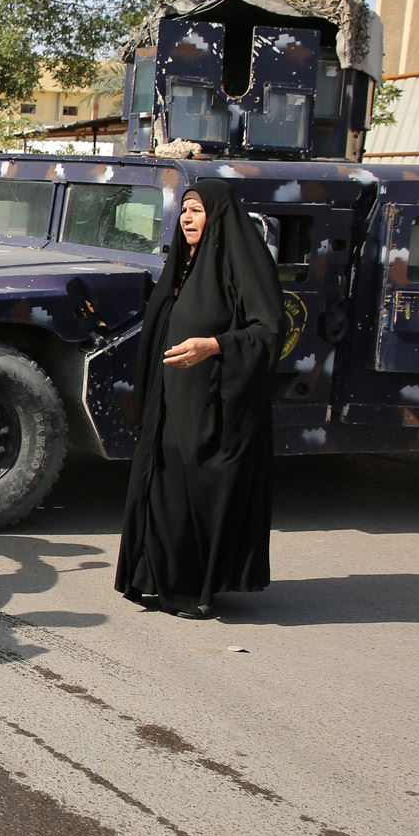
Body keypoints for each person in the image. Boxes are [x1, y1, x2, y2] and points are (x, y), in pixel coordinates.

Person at [116, 179, 283, 620]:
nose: (188, 218)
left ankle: (197, 589)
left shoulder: (243, 263)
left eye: (197, 210)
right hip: (170, 402)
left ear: (220, 215)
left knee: (200, 494)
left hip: (216, 407)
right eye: (184, 210)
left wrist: (214, 346)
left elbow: (268, 332)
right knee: (163, 489)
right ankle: (156, 580)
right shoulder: (185, 265)